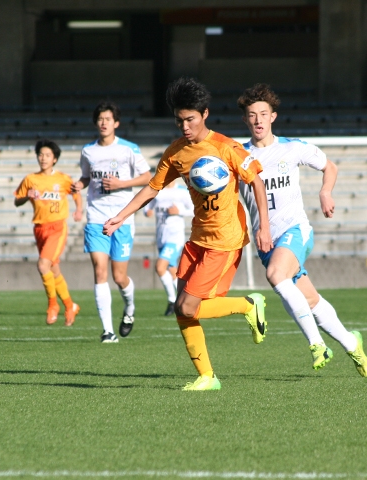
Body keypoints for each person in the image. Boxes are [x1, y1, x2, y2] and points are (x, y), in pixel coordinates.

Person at [103, 77, 272, 391]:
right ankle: (207, 377)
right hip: (197, 238)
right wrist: (120, 216)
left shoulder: (227, 147)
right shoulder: (176, 152)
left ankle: (248, 305)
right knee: (185, 311)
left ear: (205, 114)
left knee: (186, 306)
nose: (184, 126)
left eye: (190, 119)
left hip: (225, 240)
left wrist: (264, 225)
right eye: (179, 120)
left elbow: (257, 182)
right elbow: (153, 188)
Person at [237, 83, 367, 377]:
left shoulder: (292, 147)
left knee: (275, 276)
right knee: (309, 300)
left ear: (273, 116)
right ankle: (352, 343)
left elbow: (330, 167)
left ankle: (317, 345)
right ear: (245, 120)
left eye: (263, 113)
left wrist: (326, 191)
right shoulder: (237, 156)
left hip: (295, 230)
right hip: (266, 242)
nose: (258, 120)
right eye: (251, 115)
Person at [72, 101, 151, 343]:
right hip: (96, 217)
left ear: (116, 123)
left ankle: (129, 308)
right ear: (96, 123)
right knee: (100, 270)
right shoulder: (88, 151)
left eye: (108, 119)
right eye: (100, 119)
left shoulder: (129, 149)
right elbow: (86, 177)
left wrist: (121, 184)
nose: (104, 123)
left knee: (119, 277)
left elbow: (148, 177)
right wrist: (79, 184)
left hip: (122, 219)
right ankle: (108, 331)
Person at [15, 139, 83, 325]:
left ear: (54, 159)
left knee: (43, 265)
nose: (43, 158)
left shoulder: (62, 179)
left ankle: (53, 305)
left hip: (57, 228)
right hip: (39, 228)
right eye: (40, 155)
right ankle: (71, 305)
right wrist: (26, 197)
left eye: (47, 155)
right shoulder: (31, 179)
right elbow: (17, 200)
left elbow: (76, 194)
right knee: (54, 270)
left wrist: (78, 210)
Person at [142, 180, 193, 316]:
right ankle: (184, 300)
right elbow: (147, 206)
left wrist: (179, 211)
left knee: (160, 267)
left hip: (174, 238)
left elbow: (195, 209)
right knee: (172, 271)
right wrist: (147, 212)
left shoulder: (182, 191)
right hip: (161, 238)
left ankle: (172, 301)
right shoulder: (158, 191)